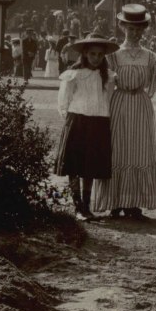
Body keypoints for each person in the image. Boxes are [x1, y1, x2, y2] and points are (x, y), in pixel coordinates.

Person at [92, 4, 156, 221]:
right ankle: (116, 202)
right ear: (122, 27)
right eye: (130, 28)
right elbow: (106, 83)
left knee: (140, 149)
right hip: (120, 103)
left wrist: (141, 95)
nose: (135, 33)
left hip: (141, 105)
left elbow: (152, 85)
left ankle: (135, 203)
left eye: (139, 29)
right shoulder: (114, 55)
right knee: (119, 149)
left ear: (144, 30)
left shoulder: (149, 56)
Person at [55, 33, 117, 220]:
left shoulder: (108, 76)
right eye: (92, 54)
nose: (96, 58)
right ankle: (77, 206)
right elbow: (63, 101)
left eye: (100, 55)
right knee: (75, 164)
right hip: (78, 121)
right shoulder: (74, 74)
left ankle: (87, 206)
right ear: (84, 54)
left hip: (98, 122)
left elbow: (109, 100)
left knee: (90, 165)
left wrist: (105, 118)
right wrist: (70, 120)